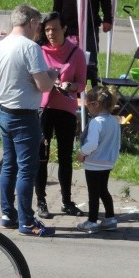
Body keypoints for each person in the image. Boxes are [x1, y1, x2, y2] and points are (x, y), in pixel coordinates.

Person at [0, 4, 58, 237]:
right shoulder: (30, 48)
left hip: (4, 111)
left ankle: (8, 213)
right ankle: (27, 221)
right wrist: (53, 75)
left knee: (9, 165)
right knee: (27, 170)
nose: (39, 30)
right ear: (31, 23)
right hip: (24, 115)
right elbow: (44, 85)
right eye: (38, 25)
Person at [35, 12, 87, 219]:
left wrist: (70, 85)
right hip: (43, 109)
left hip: (65, 109)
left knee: (65, 157)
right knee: (42, 156)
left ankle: (67, 200)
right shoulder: (39, 51)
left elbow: (82, 83)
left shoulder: (76, 53)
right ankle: (41, 201)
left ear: (64, 28)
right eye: (47, 29)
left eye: (55, 29)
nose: (50, 33)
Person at [52, 0, 113, 85]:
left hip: (89, 24)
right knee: (69, 56)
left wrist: (108, 18)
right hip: (68, 25)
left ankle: (93, 86)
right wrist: (55, 20)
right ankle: (70, 85)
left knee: (90, 57)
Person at [76, 86, 120, 233]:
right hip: (107, 162)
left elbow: (92, 144)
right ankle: (110, 218)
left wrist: (82, 153)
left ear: (96, 104)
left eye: (88, 105)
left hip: (94, 163)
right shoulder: (114, 121)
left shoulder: (96, 122)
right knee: (103, 190)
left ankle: (92, 221)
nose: (87, 108)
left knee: (93, 193)